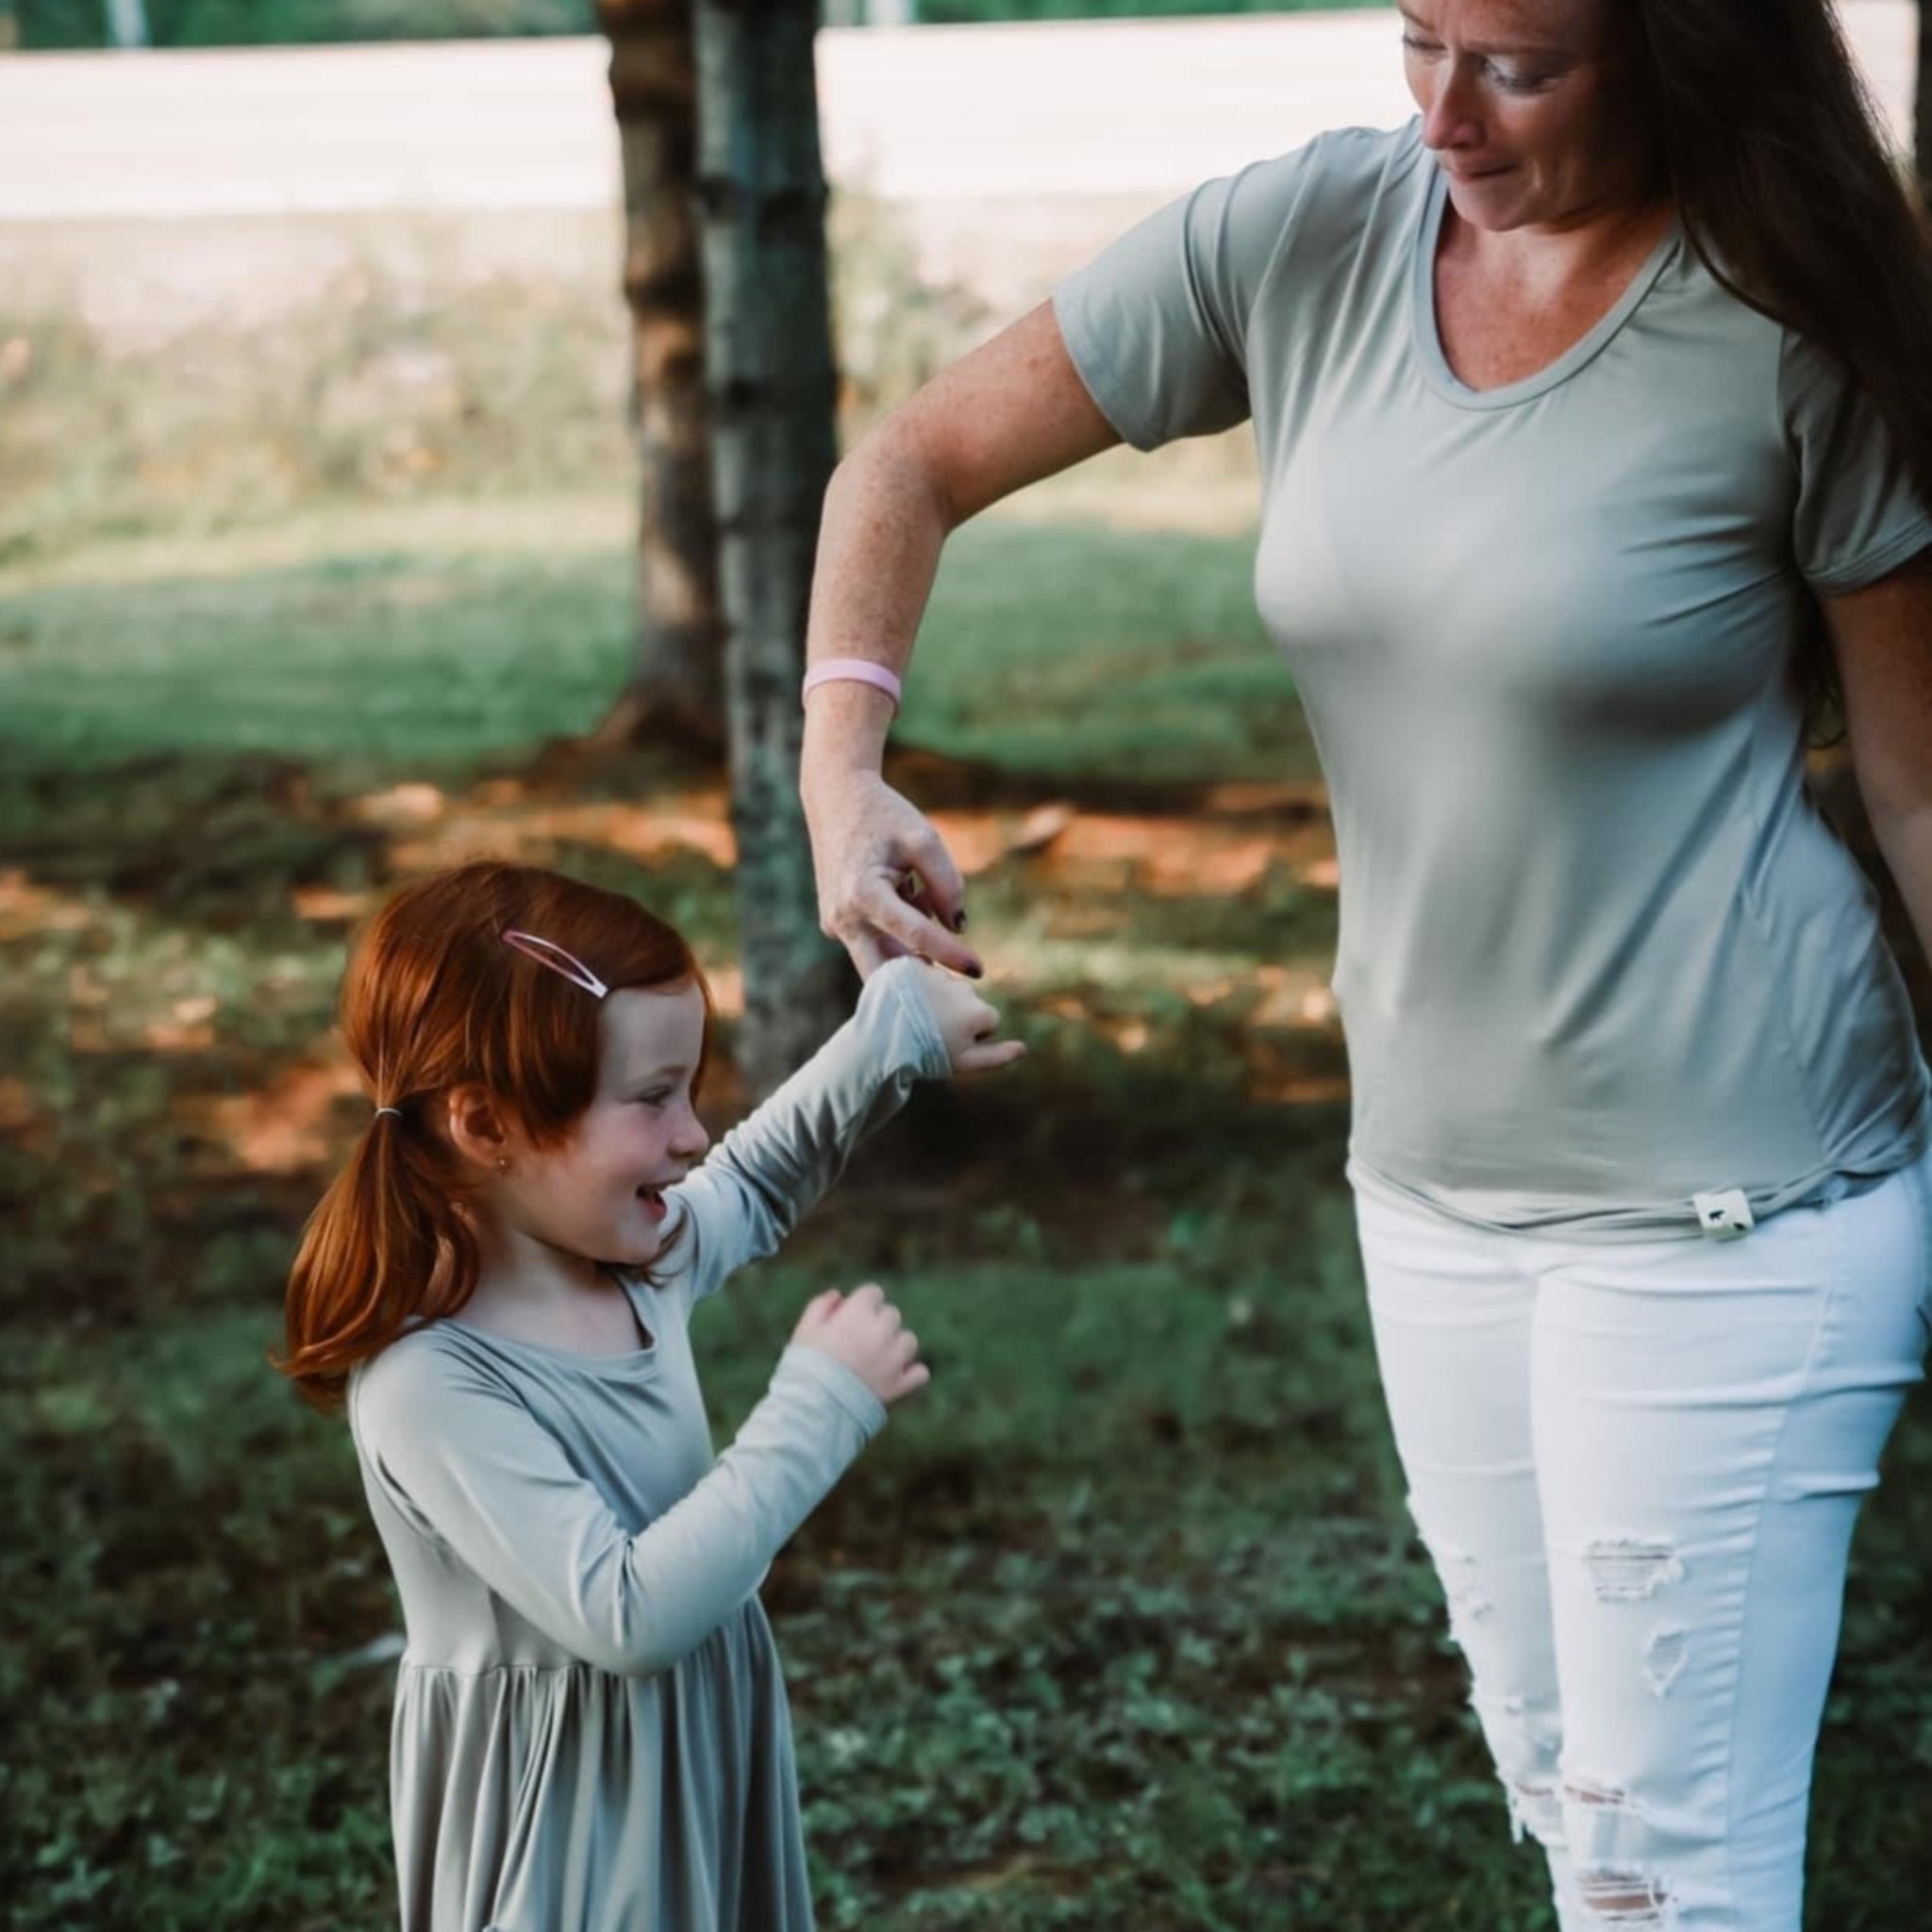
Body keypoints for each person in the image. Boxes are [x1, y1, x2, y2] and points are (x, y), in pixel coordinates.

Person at [795, 3, 1932, 1926]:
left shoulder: (1786, 321)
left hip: (1735, 1208)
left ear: (1678, 49)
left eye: (1517, 67)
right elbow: (907, 457)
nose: (1443, 116)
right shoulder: (1307, 236)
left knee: (1666, 1874)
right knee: (1564, 1802)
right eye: (1418, 40)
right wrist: (843, 768)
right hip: (1429, 1194)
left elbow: (1913, 788)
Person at [275, 859, 1023, 1932]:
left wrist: (889, 1032)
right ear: (485, 1126)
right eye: (650, 1098)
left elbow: (755, 1178)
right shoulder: (430, 1382)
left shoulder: (637, 1261)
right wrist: (817, 1407)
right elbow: (625, 1614)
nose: (691, 1134)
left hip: (692, 1760)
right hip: (563, 1824)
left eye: (688, 1090)